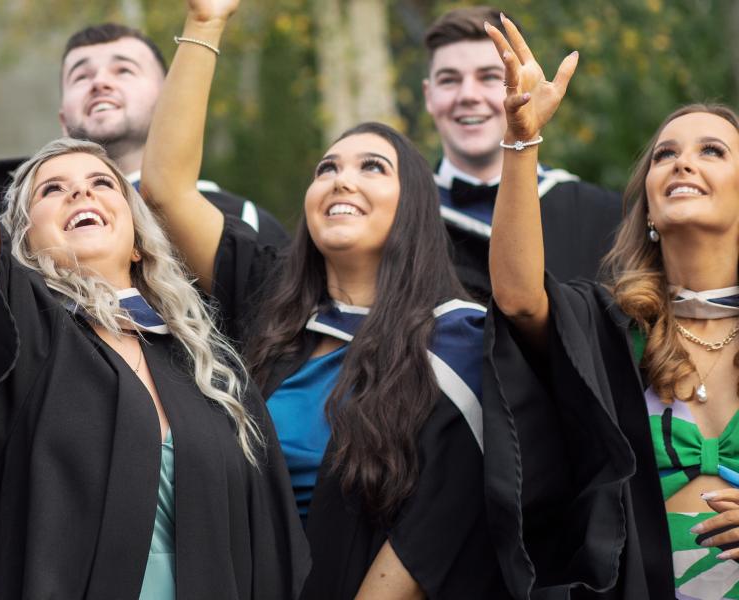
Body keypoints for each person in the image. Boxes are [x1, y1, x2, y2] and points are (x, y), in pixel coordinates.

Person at [0, 1, 308, 597]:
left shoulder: (205, 362)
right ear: (23, 238)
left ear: (140, 239)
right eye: (53, 190)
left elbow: (266, 543)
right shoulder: (15, 332)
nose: (78, 194)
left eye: (99, 184)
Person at [139, 1, 504, 597]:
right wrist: (205, 23)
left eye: (372, 168)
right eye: (327, 167)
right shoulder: (270, 304)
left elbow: (429, 533)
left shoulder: (456, 341)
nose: (341, 179)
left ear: (413, 207)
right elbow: (165, 189)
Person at [481, 15, 739, 598]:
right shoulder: (611, 330)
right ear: (647, 205)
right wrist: (522, 141)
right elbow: (519, 299)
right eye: (665, 154)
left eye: (712, 150)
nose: (681, 161)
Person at [421, 6, 619, 301]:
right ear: (429, 96)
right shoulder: (399, 216)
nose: (468, 96)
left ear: (523, 83)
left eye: (490, 77)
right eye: (449, 80)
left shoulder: (600, 214)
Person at [59, 22, 287, 247]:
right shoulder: (34, 228)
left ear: (170, 99)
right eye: (81, 77)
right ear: (63, 121)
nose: (99, 82)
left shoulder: (243, 220)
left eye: (124, 70)